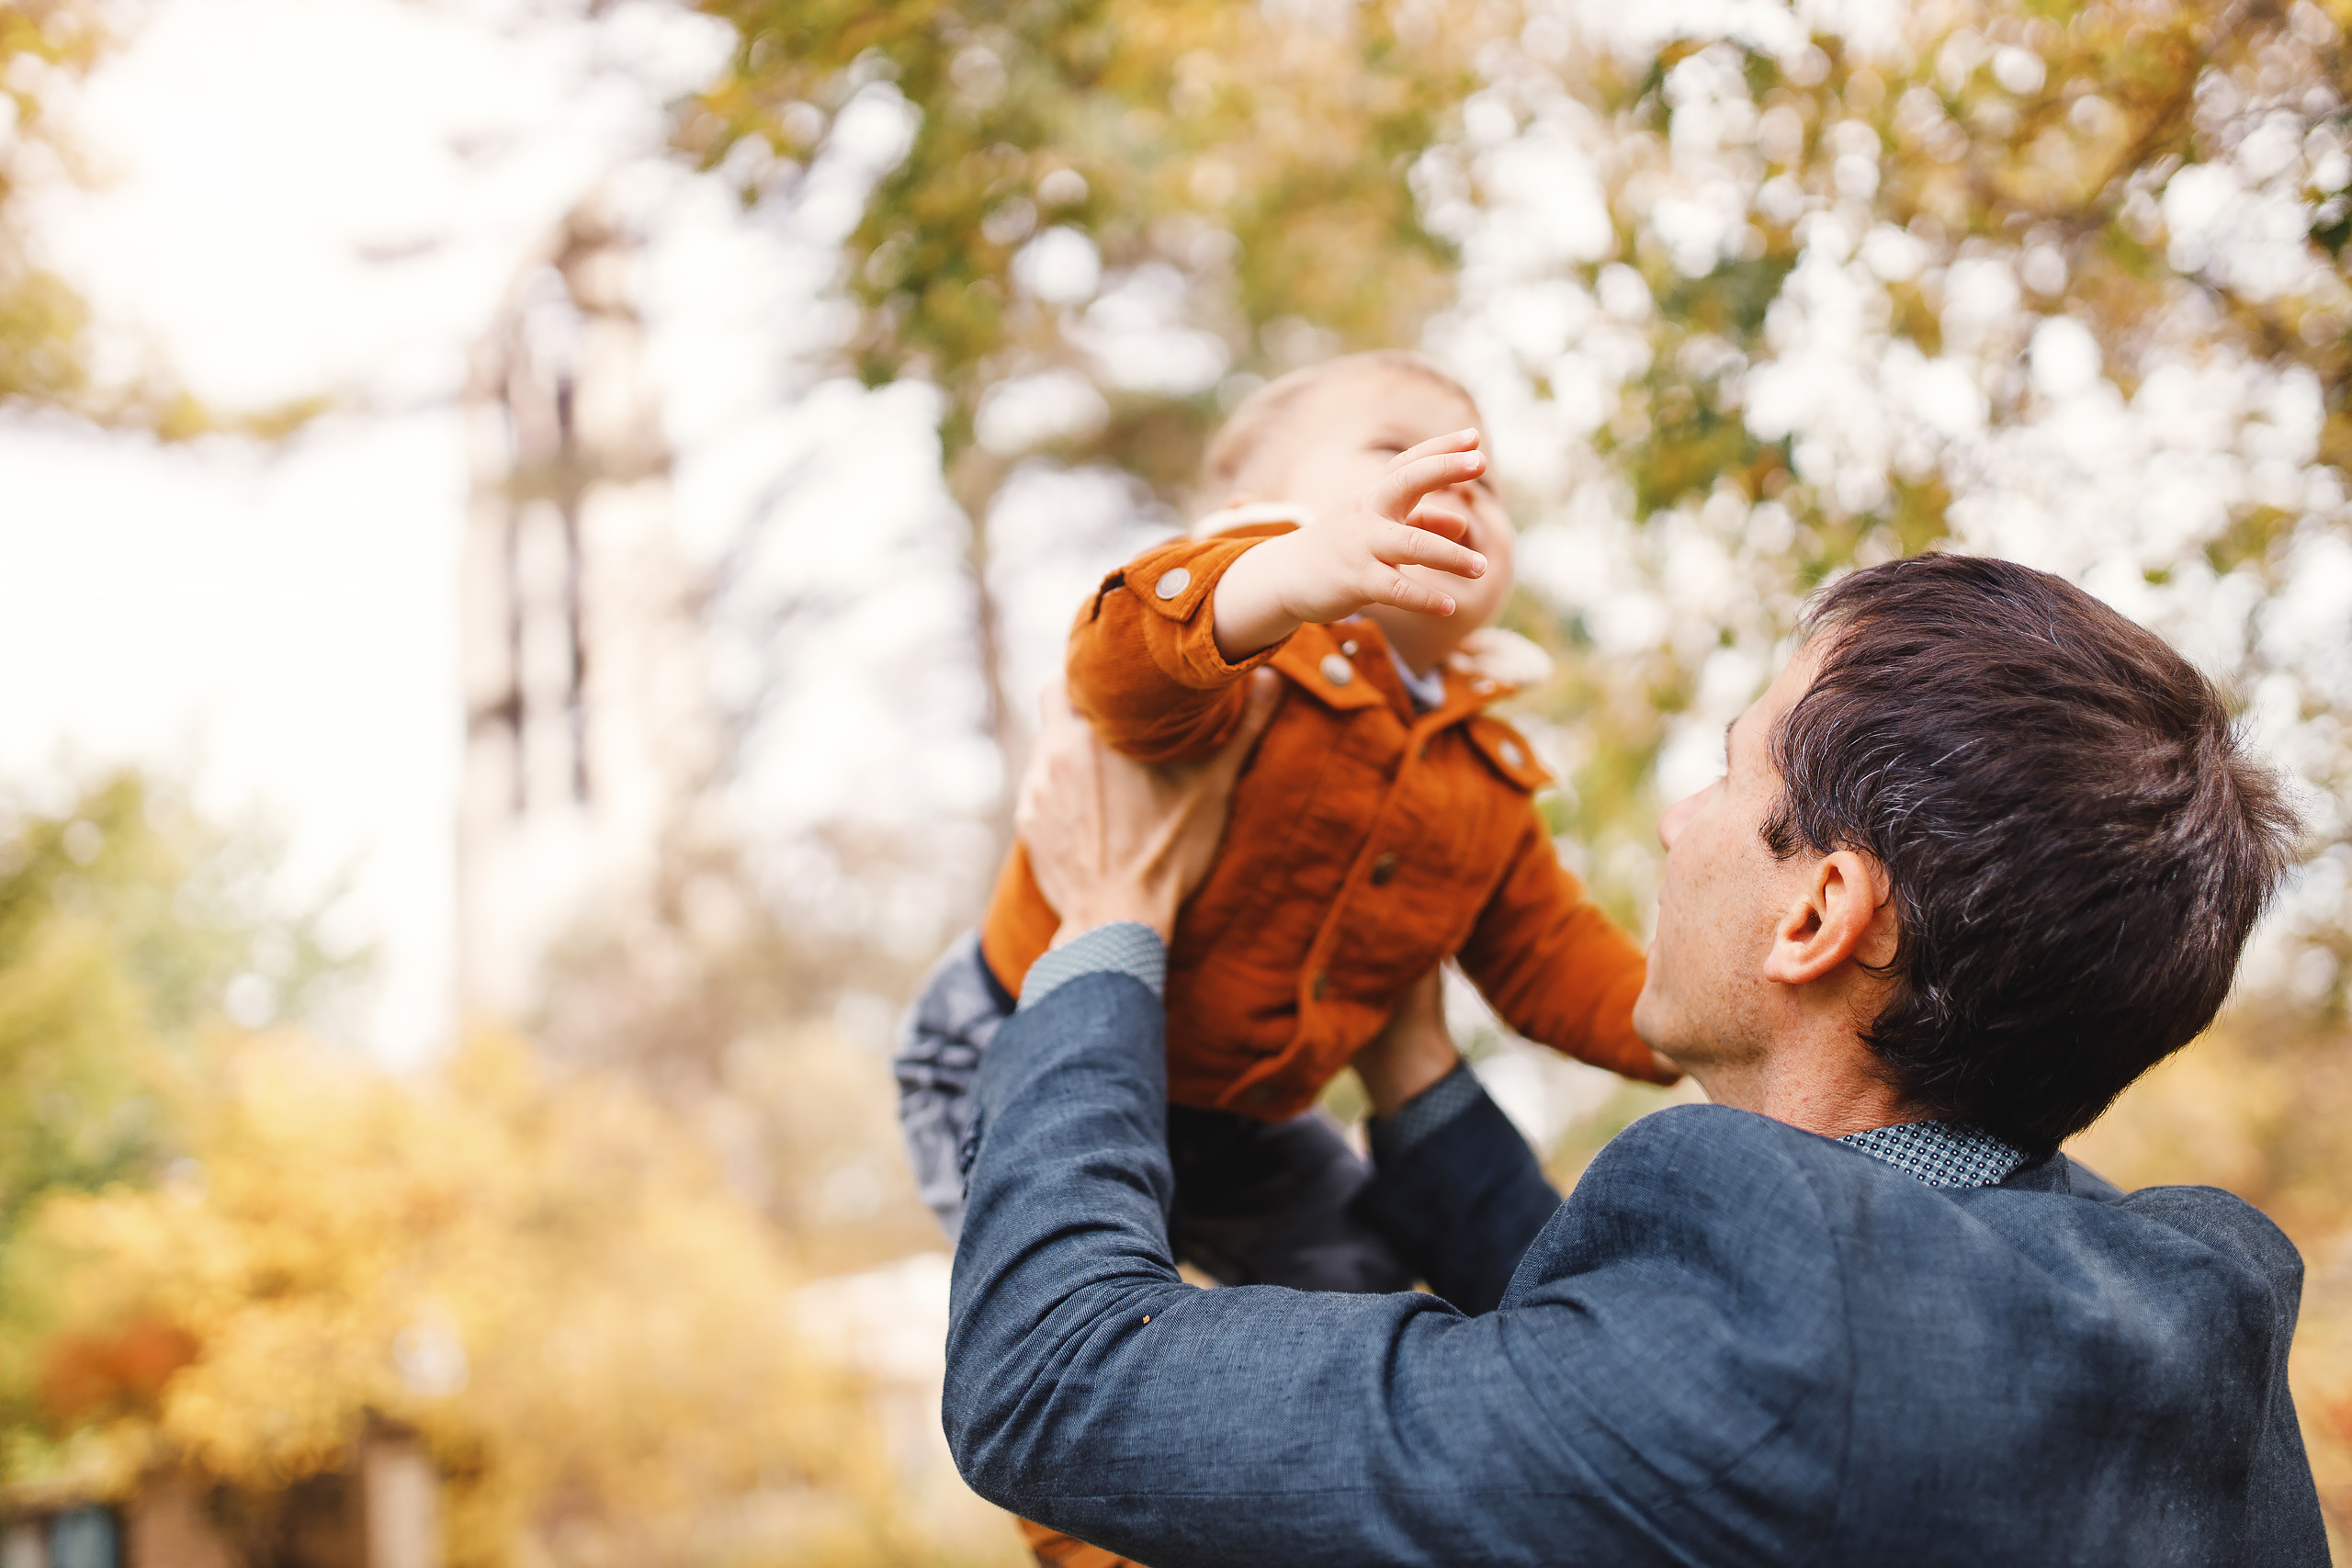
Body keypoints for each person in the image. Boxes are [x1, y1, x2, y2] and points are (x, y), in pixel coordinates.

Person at [943, 553, 2328, 1565]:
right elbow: (1644, 1396)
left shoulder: (1769, 1356)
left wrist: (1108, 920)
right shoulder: (2198, 1293)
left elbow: (1054, 1376)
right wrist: (1416, 1068)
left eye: (1730, 772)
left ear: (1817, 913)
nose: (1676, 820)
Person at [897, 353, 1669, 1305]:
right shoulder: (1246, 649)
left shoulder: (1482, 774)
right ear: (1265, 509)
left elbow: (1548, 950)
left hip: (1241, 1121)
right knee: (1056, 1283)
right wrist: (1279, 577)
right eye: (1395, 448)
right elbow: (1119, 675)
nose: (1456, 480)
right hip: (1014, 1034)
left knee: (1361, 1283)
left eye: (1490, 485)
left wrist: (1677, 1023)